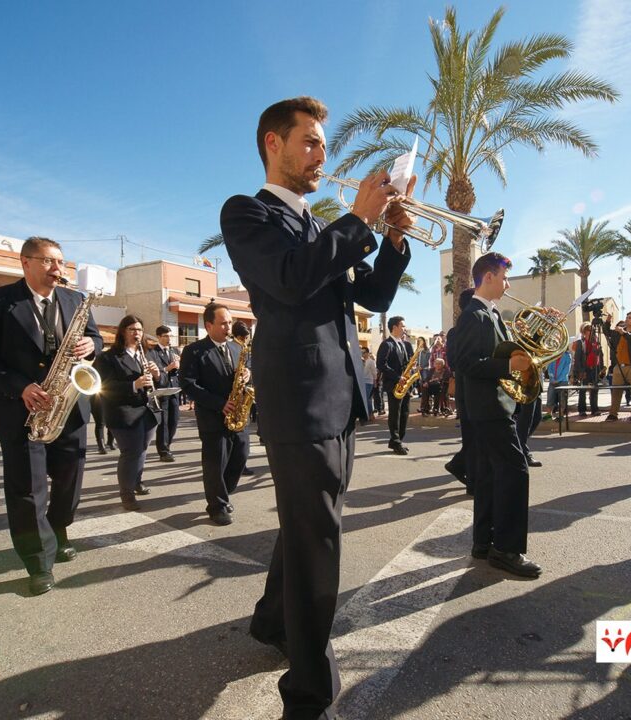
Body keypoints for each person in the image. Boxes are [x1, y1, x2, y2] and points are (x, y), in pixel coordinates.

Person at [219, 95, 411, 719]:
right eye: (309, 141)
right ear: (272, 144)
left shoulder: (314, 226)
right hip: (300, 401)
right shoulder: (248, 213)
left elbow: (373, 298)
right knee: (317, 539)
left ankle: (274, 622)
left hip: (337, 398)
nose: (322, 154)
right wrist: (354, 221)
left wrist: (391, 240)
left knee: (306, 527)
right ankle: (307, 695)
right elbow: (289, 280)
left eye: (325, 144)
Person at [0, 236, 102, 597]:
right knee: (28, 490)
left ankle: (58, 530)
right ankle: (37, 561)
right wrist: (19, 386)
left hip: (68, 408)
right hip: (20, 409)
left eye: (62, 262)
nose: (58, 270)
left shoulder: (75, 300)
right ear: (26, 262)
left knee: (69, 485)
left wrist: (91, 347)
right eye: (50, 262)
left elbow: (95, 339)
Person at [449, 251, 539, 579]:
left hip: (492, 407)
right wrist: (507, 367)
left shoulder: (490, 314)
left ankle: (483, 542)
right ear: (488, 277)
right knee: (516, 471)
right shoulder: (474, 315)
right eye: (503, 277)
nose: (507, 283)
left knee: (488, 476)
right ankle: (506, 549)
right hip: (490, 408)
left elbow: (507, 353)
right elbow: (465, 363)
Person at [178, 303, 249, 525]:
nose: (228, 327)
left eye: (229, 322)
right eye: (223, 323)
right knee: (215, 464)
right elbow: (188, 385)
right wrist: (219, 404)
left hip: (238, 415)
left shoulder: (238, 348)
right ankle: (216, 505)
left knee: (240, 456)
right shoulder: (194, 351)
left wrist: (248, 374)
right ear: (209, 325)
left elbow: (244, 375)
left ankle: (223, 494)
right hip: (212, 417)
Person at [93, 315, 161, 511]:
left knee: (142, 450)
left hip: (147, 411)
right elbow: (104, 386)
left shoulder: (146, 354)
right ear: (122, 331)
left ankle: (136, 481)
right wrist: (134, 384)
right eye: (132, 329)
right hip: (122, 413)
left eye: (139, 330)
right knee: (131, 452)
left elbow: (159, 381)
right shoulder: (108, 357)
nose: (136, 333)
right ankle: (126, 494)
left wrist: (157, 375)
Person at [444, 288, 476, 489]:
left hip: (471, 391)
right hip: (468, 391)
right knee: (473, 438)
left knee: (475, 438)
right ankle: (471, 481)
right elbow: (454, 361)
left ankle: (459, 466)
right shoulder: (458, 331)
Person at [377, 316, 413, 455]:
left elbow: (405, 363)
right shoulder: (387, 344)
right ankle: (396, 441)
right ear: (395, 327)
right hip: (394, 384)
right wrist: (398, 377)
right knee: (395, 414)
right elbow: (381, 364)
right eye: (402, 326)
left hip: (405, 385)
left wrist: (411, 366)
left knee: (404, 413)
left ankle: (397, 440)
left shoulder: (403, 344)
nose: (404, 328)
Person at [603, 311, 631, 422]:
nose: (627, 319)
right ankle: (613, 414)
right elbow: (607, 332)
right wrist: (608, 321)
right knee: (616, 391)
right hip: (619, 366)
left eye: (630, 318)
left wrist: (625, 333)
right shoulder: (619, 331)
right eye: (626, 317)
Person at [149, 325, 182, 461]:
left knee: (174, 421)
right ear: (159, 337)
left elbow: (180, 370)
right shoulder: (153, 352)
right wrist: (168, 368)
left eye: (170, 336)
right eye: (166, 336)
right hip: (162, 390)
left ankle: (167, 445)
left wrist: (179, 366)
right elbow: (155, 371)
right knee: (163, 423)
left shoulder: (175, 351)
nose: (169, 339)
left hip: (174, 389)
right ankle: (163, 451)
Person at [573, 322, 602, 416]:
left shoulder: (596, 341)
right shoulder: (580, 342)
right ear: (584, 331)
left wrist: (602, 368)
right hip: (584, 369)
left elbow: (600, 355)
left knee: (594, 390)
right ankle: (582, 410)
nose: (590, 331)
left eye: (591, 329)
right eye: (588, 329)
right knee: (582, 390)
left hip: (595, 369)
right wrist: (580, 371)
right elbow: (577, 358)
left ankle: (595, 409)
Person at [544, 341, 572, 419]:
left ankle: (561, 415)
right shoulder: (553, 355)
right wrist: (552, 378)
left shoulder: (567, 356)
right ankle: (549, 414)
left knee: (562, 399)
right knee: (550, 397)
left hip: (563, 381)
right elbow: (549, 368)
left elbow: (566, 370)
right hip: (553, 381)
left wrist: (558, 379)